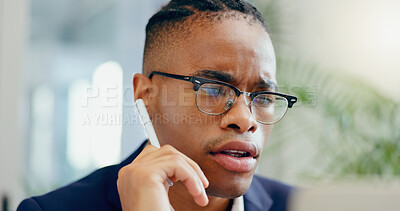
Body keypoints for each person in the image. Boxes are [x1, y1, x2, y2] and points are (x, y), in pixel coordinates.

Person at [18, 0, 297, 210]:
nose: (245, 119)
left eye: (263, 97)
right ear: (146, 95)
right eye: (213, 89)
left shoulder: (298, 205)